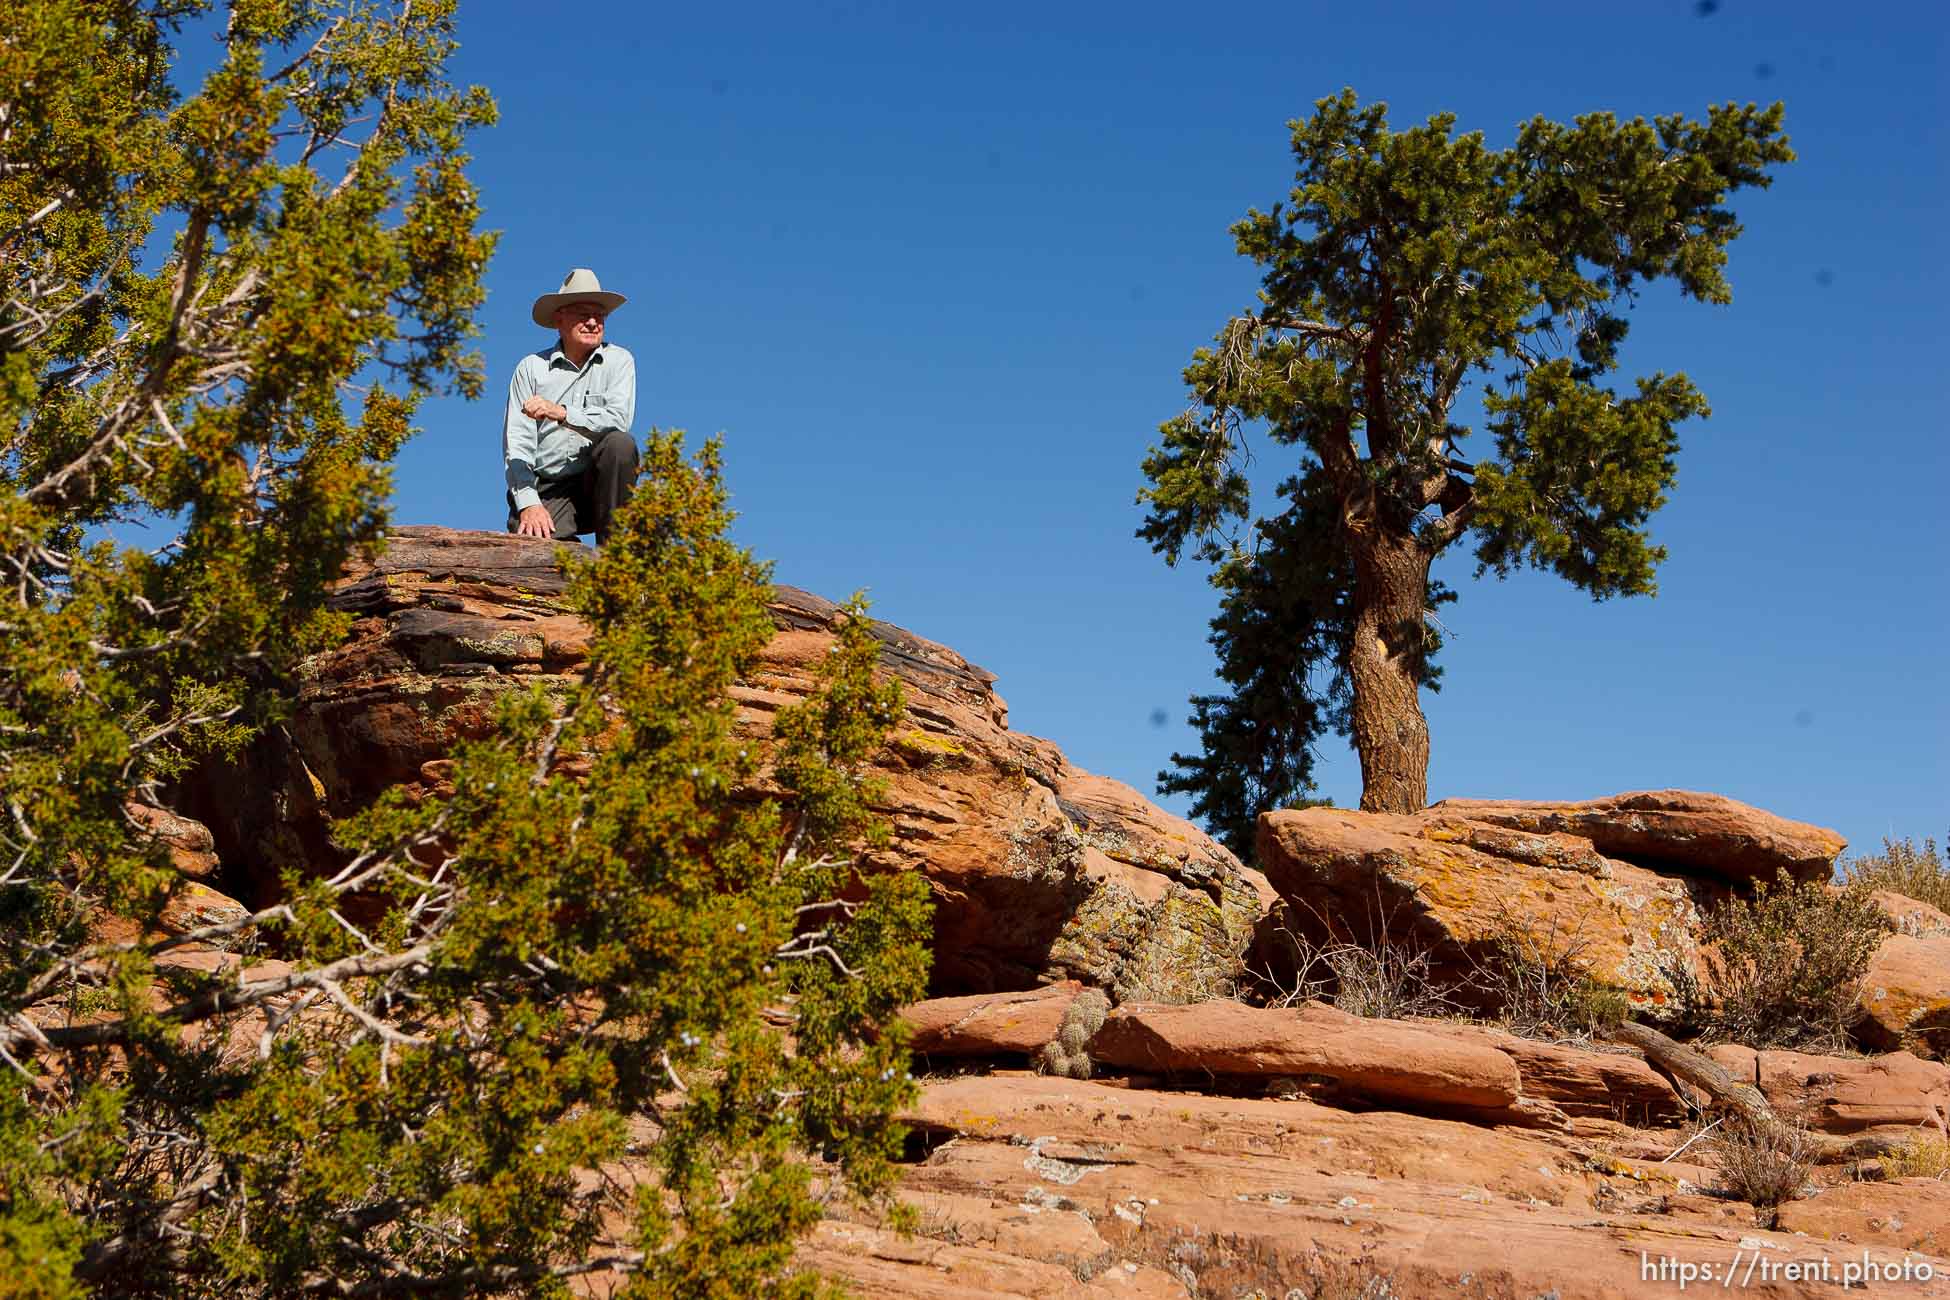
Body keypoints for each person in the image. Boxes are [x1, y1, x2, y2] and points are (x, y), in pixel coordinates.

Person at [503, 268, 639, 544]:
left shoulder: (619, 360)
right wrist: (529, 504)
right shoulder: (531, 368)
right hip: (547, 488)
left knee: (620, 445)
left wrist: (561, 413)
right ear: (559, 319)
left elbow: (618, 420)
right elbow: (517, 446)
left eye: (599, 315)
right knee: (537, 553)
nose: (592, 322)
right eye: (582, 314)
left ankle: (614, 558)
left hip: (596, 484)